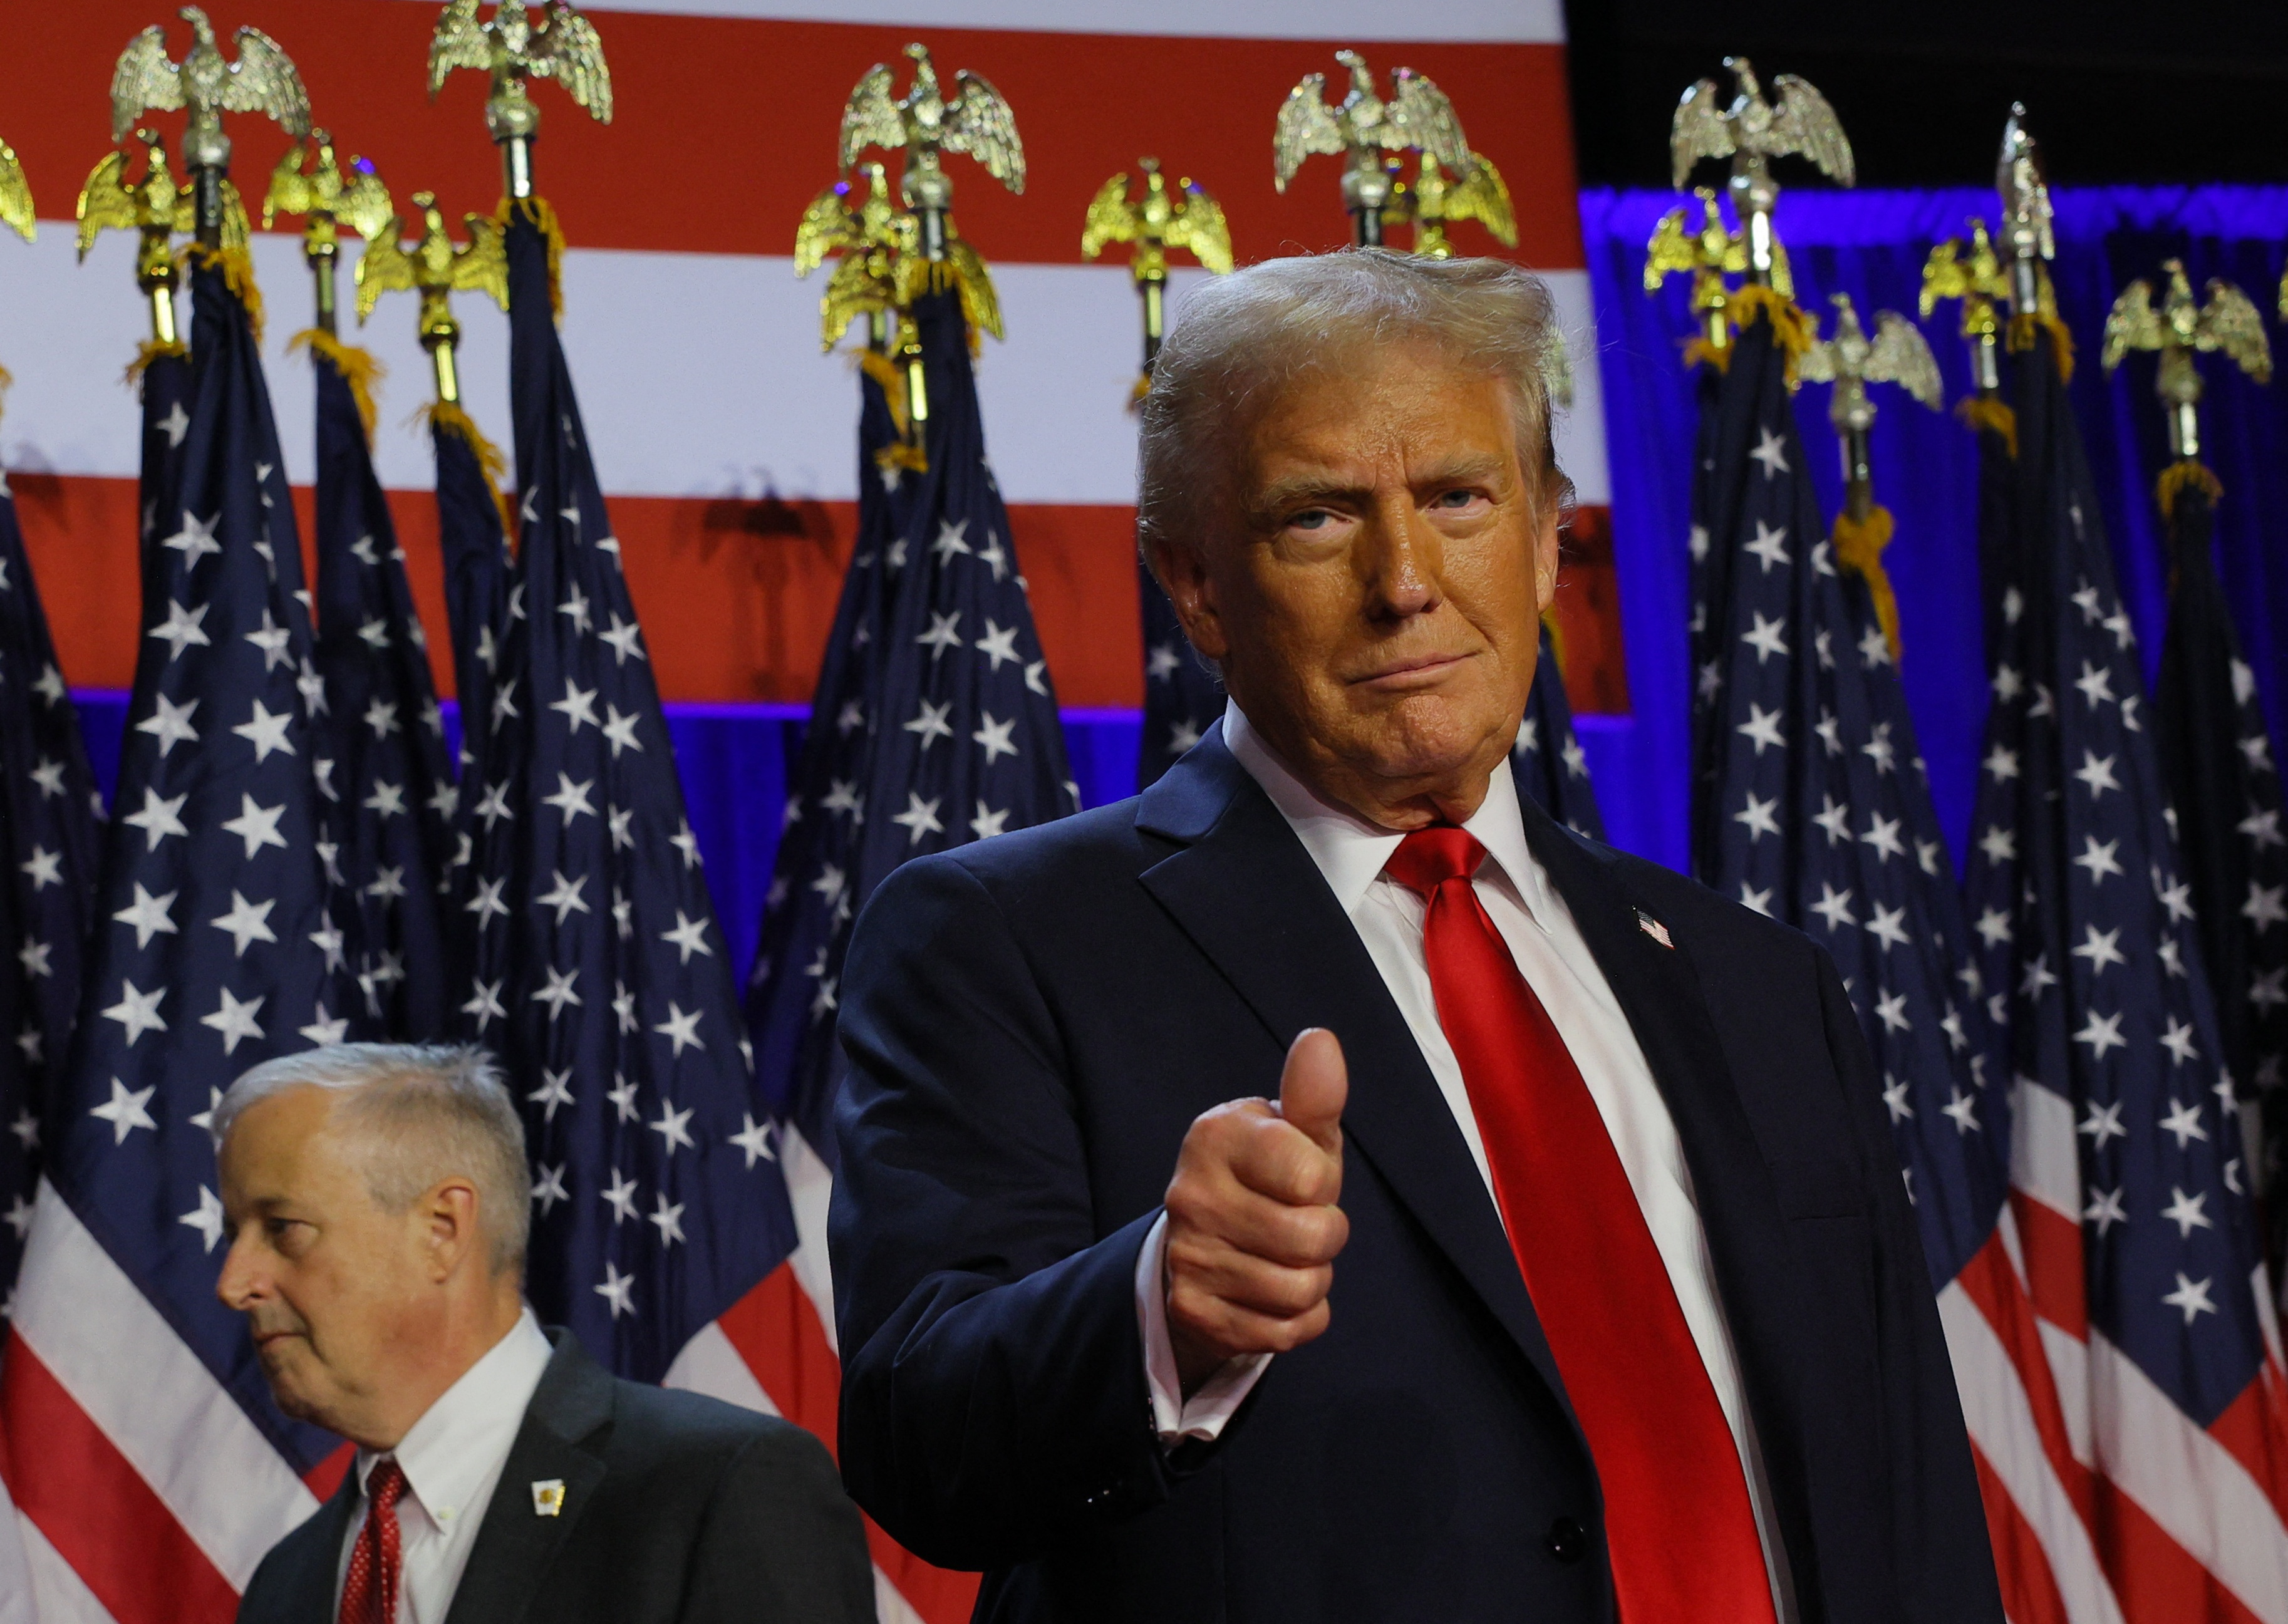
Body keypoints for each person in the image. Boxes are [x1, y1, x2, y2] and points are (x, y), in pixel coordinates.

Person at [830, 249, 2004, 1623]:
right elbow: (919, 1433)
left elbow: (1904, 1498)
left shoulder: (1757, 983)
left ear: (1548, 532)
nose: (1404, 581)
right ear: (1194, 581)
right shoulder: (1002, 937)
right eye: (1318, 519)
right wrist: (1159, 1304)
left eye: (1455, 497)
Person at [215, 1043, 876, 1624]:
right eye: (233, 1235)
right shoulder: (288, 1583)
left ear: (442, 1229)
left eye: (282, 1228)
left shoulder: (716, 1490)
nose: (234, 1281)